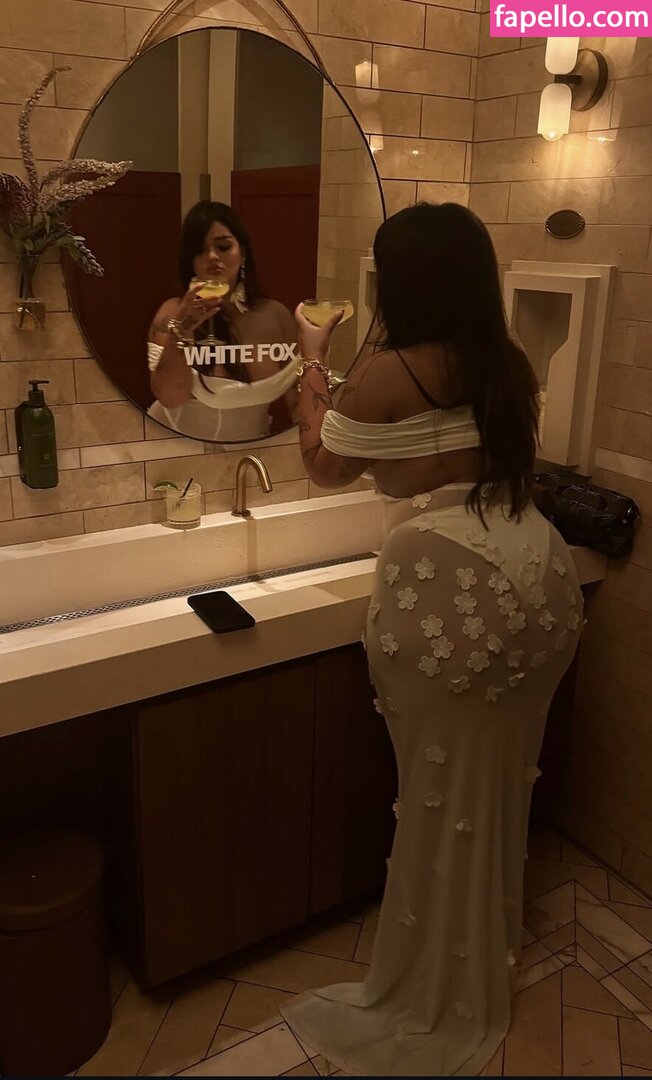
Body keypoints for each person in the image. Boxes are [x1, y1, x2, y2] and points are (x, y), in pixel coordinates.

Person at [281, 202, 584, 1076]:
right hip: (541, 575)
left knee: (436, 792)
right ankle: (481, 945)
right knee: (500, 783)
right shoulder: (508, 363)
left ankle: (437, 973)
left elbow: (324, 464)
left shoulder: (388, 371)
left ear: (407, 282)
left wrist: (312, 356)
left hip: (447, 584)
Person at [147, 201, 299, 442]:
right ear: (190, 261)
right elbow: (170, 397)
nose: (212, 256)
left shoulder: (276, 315)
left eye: (224, 246)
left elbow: (298, 400)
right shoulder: (172, 313)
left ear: (243, 253)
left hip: (253, 451)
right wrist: (182, 329)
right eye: (200, 250)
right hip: (173, 451)